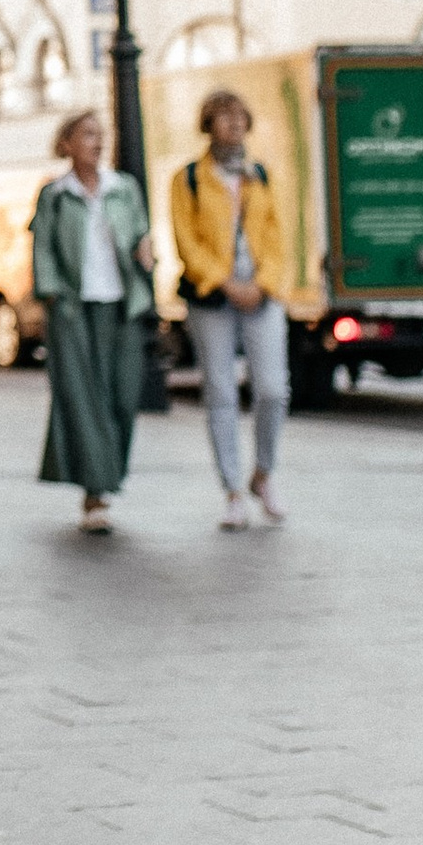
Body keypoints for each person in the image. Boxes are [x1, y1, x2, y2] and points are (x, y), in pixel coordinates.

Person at [169, 87, 288, 532]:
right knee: (220, 390)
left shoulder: (261, 175)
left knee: (273, 389)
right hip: (213, 296)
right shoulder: (189, 179)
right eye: (224, 116)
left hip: (260, 291)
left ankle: (264, 473)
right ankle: (233, 490)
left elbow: (276, 237)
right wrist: (224, 282)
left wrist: (265, 283)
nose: (234, 123)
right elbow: (186, 240)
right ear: (209, 124)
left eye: (240, 116)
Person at [31, 107, 155, 530]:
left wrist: (145, 250)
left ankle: (107, 474)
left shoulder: (125, 189)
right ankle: (95, 493)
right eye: (87, 134)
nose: (97, 142)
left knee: (121, 394)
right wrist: (50, 294)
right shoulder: (55, 194)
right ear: (66, 143)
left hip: (122, 305)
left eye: (100, 134)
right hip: (72, 308)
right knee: (84, 399)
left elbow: (141, 234)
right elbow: (43, 248)